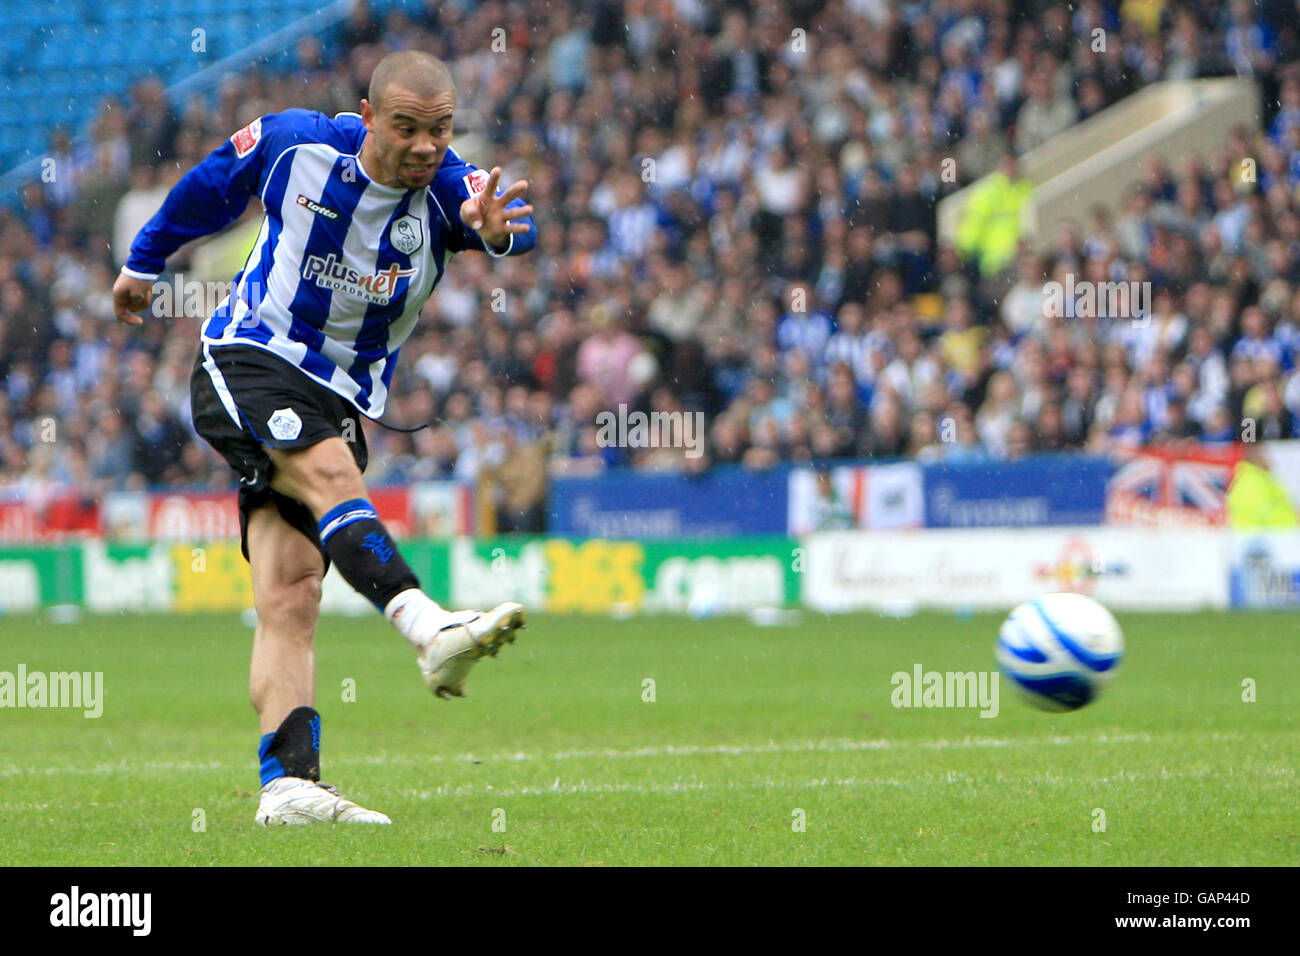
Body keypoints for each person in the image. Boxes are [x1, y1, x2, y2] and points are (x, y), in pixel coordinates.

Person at [111, 51, 537, 826]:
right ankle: (425, 625)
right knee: (335, 479)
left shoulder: (449, 192)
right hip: (250, 358)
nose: (423, 147)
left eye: (438, 131)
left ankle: (289, 786)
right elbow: (212, 185)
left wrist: (498, 234)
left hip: (340, 397)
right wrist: (144, 260)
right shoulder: (296, 145)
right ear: (368, 117)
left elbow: (504, 217)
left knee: (290, 592)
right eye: (405, 128)